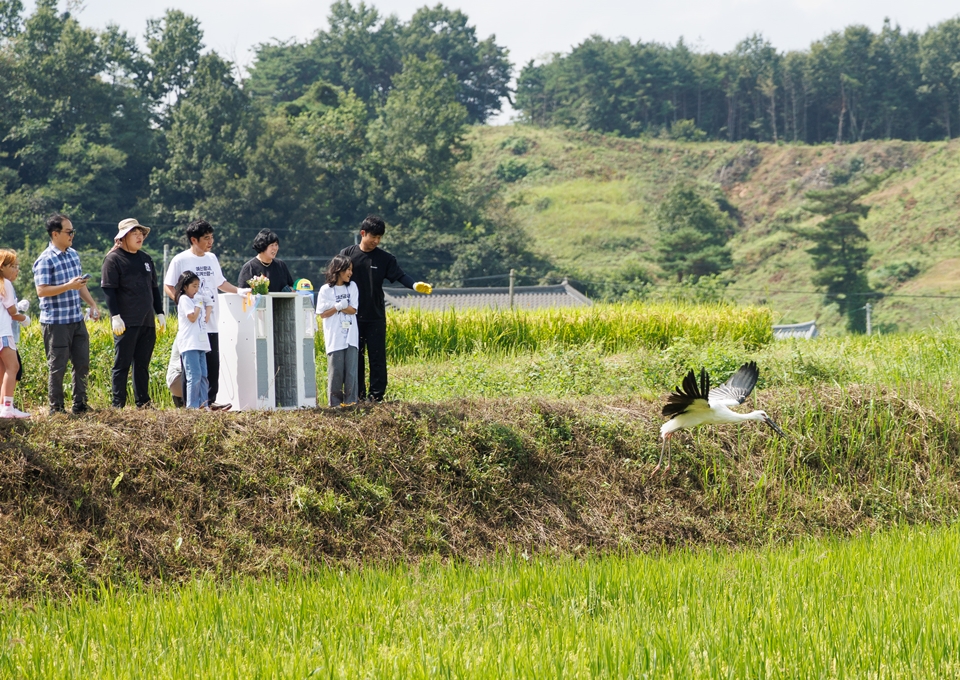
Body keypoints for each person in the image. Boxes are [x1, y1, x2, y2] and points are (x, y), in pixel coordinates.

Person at [339, 215, 433, 402]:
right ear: (363, 233)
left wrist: (414, 286)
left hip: (375, 316)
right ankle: (357, 396)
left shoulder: (385, 258)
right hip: (352, 316)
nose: (376, 241)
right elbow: (336, 277)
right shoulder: (347, 254)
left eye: (379, 237)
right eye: (373, 236)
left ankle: (376, 397)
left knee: (377, 357)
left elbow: (400, 275)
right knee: (354, 358)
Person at [163, 219, 245, 410]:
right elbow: (168, 285)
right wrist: (183, 302)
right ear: (194, 239)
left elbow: (220, 282)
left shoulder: (212, 258)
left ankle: (208, 402)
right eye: (206, 238)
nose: (211, 242)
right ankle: (190, 404)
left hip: (210, 321)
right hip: (191, 323)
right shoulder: (180, 259)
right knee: (191, 367)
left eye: (211, 237)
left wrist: (239, 291)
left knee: (211, 364)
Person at [33, 213, 101, 415]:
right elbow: (42, 291)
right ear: (55, 234)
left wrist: (92, 304)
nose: (72, 235)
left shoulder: (73, 254)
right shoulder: (45, 260)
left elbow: (79, 286)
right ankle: (57, 408)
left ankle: (80, 404)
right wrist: (68, 286)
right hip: (56, 322)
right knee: (57, 366)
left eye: (73, 232)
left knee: (82, 364)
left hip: (76, 318)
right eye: (68, 232)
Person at [100, 219, 166, 409]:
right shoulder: (113, 259)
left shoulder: (146, 259)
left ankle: (143, 402)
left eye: (140, 233)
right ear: (122, 237)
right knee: (122, 363)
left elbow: (154, 288)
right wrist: (115, 316)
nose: (139, 237)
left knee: (143, 364)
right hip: (126, 320)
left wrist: (159, 312)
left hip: (146, 320)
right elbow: (109, 290)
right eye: (134, 233)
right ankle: (118, 404)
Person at [316, 255, 359, 406]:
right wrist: (339, 306)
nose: (350, 273)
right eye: (348, 269)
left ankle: (351, 403)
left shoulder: (352, 286)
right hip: (334, 337)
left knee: (351, 373)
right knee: (336, 372)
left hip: (351, 336)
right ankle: (334, 405)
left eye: (351, 270)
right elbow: (323, 313)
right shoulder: (325, 290)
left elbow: (353, 309)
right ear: (338, 270)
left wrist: (335, 307)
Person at [173, 271, 211, 409]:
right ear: (185, 286)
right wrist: (200, 303)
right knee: (194, 375)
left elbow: (204, 319)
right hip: (190, 343)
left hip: (200, 343)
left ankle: (204, 404)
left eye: (198, 286)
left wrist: (205, 303)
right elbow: (192, 317)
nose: (196, 289)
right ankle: (192, 406)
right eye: (194, 286)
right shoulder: (184, 299)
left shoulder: (194, 300)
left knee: (203, 375)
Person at [0, 249, 31, 418]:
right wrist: (24, 318)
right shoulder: (6, 283)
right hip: (3, 333)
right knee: (13, 367)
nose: (16, 270)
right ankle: (8, 406)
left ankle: (2, 405)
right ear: (2, 267)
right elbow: (12, 311)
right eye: (13, 266)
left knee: (3, 368)